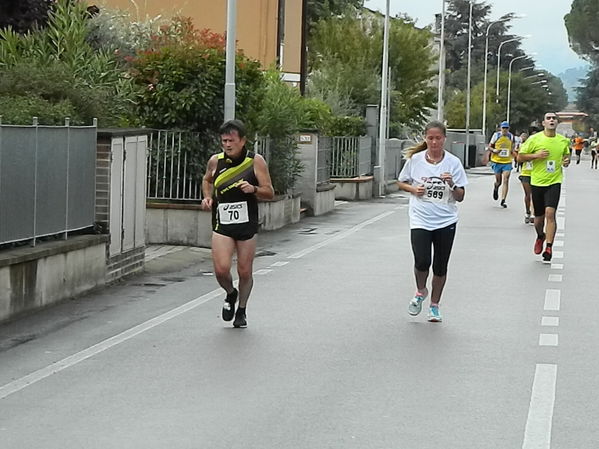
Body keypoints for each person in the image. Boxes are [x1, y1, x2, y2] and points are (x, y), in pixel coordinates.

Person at [201, 119, 274, 328]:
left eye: (231, 140)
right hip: (222, 222)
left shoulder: (255, 161)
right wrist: (207, 197)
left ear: (242, 141)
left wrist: (254, 189)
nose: (227, 145)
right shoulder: (215, 161)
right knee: (222, 270)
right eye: (224, 141)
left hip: (246, 224)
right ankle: (230, 294)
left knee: (244, 271)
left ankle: (241, 309)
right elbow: (207, 180)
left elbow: (269, 192)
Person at [397, 121, 468, 323]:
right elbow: (401, 181)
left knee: (440, 266)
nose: (434, 142)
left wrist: (452, 184)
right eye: (430, 138)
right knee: (421, 261)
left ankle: (435, 306)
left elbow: (461, 196)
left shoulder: (453, 163)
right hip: (420, 218)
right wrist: (414, 190)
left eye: (438, 138)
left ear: (444, 139)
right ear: (425, 139)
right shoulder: (415, 160)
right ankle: (421, 291)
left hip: (446, 220)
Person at [518, 112, 570, 262]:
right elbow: (520, 157)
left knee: (550, 213)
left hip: (554, 181)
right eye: (548, 118)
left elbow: (566, 156)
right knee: (539, 219)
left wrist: (566, 161)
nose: (551, 120)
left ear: (557, 122)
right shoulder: (534, 139)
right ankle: (540, 236)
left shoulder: (563, 141)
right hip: (537, 182)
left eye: (554, 118)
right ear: (544, 123)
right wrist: (536, 156)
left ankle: (549, 247)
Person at [487, 121, 515, 208]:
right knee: (499, 181)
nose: (505, 130)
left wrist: (514, 153)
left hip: (507, 161)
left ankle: (503, 200)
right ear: (500, 128)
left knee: (506, 179)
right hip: (497, 161)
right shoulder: (496, 135)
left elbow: (513, 147)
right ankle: (496, 188)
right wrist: (494, 150)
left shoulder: (511, 136)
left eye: (506, 128)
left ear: (508, 129)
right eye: (503, 128)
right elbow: (489, 147)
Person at [516, 132, 534, 224]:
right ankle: (527, 212)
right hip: (526, 173)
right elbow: (519, 157)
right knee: (528, 195)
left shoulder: (539, 148)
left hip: (536, 174)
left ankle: (533, 214)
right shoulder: (523, 147)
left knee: (535, 195)